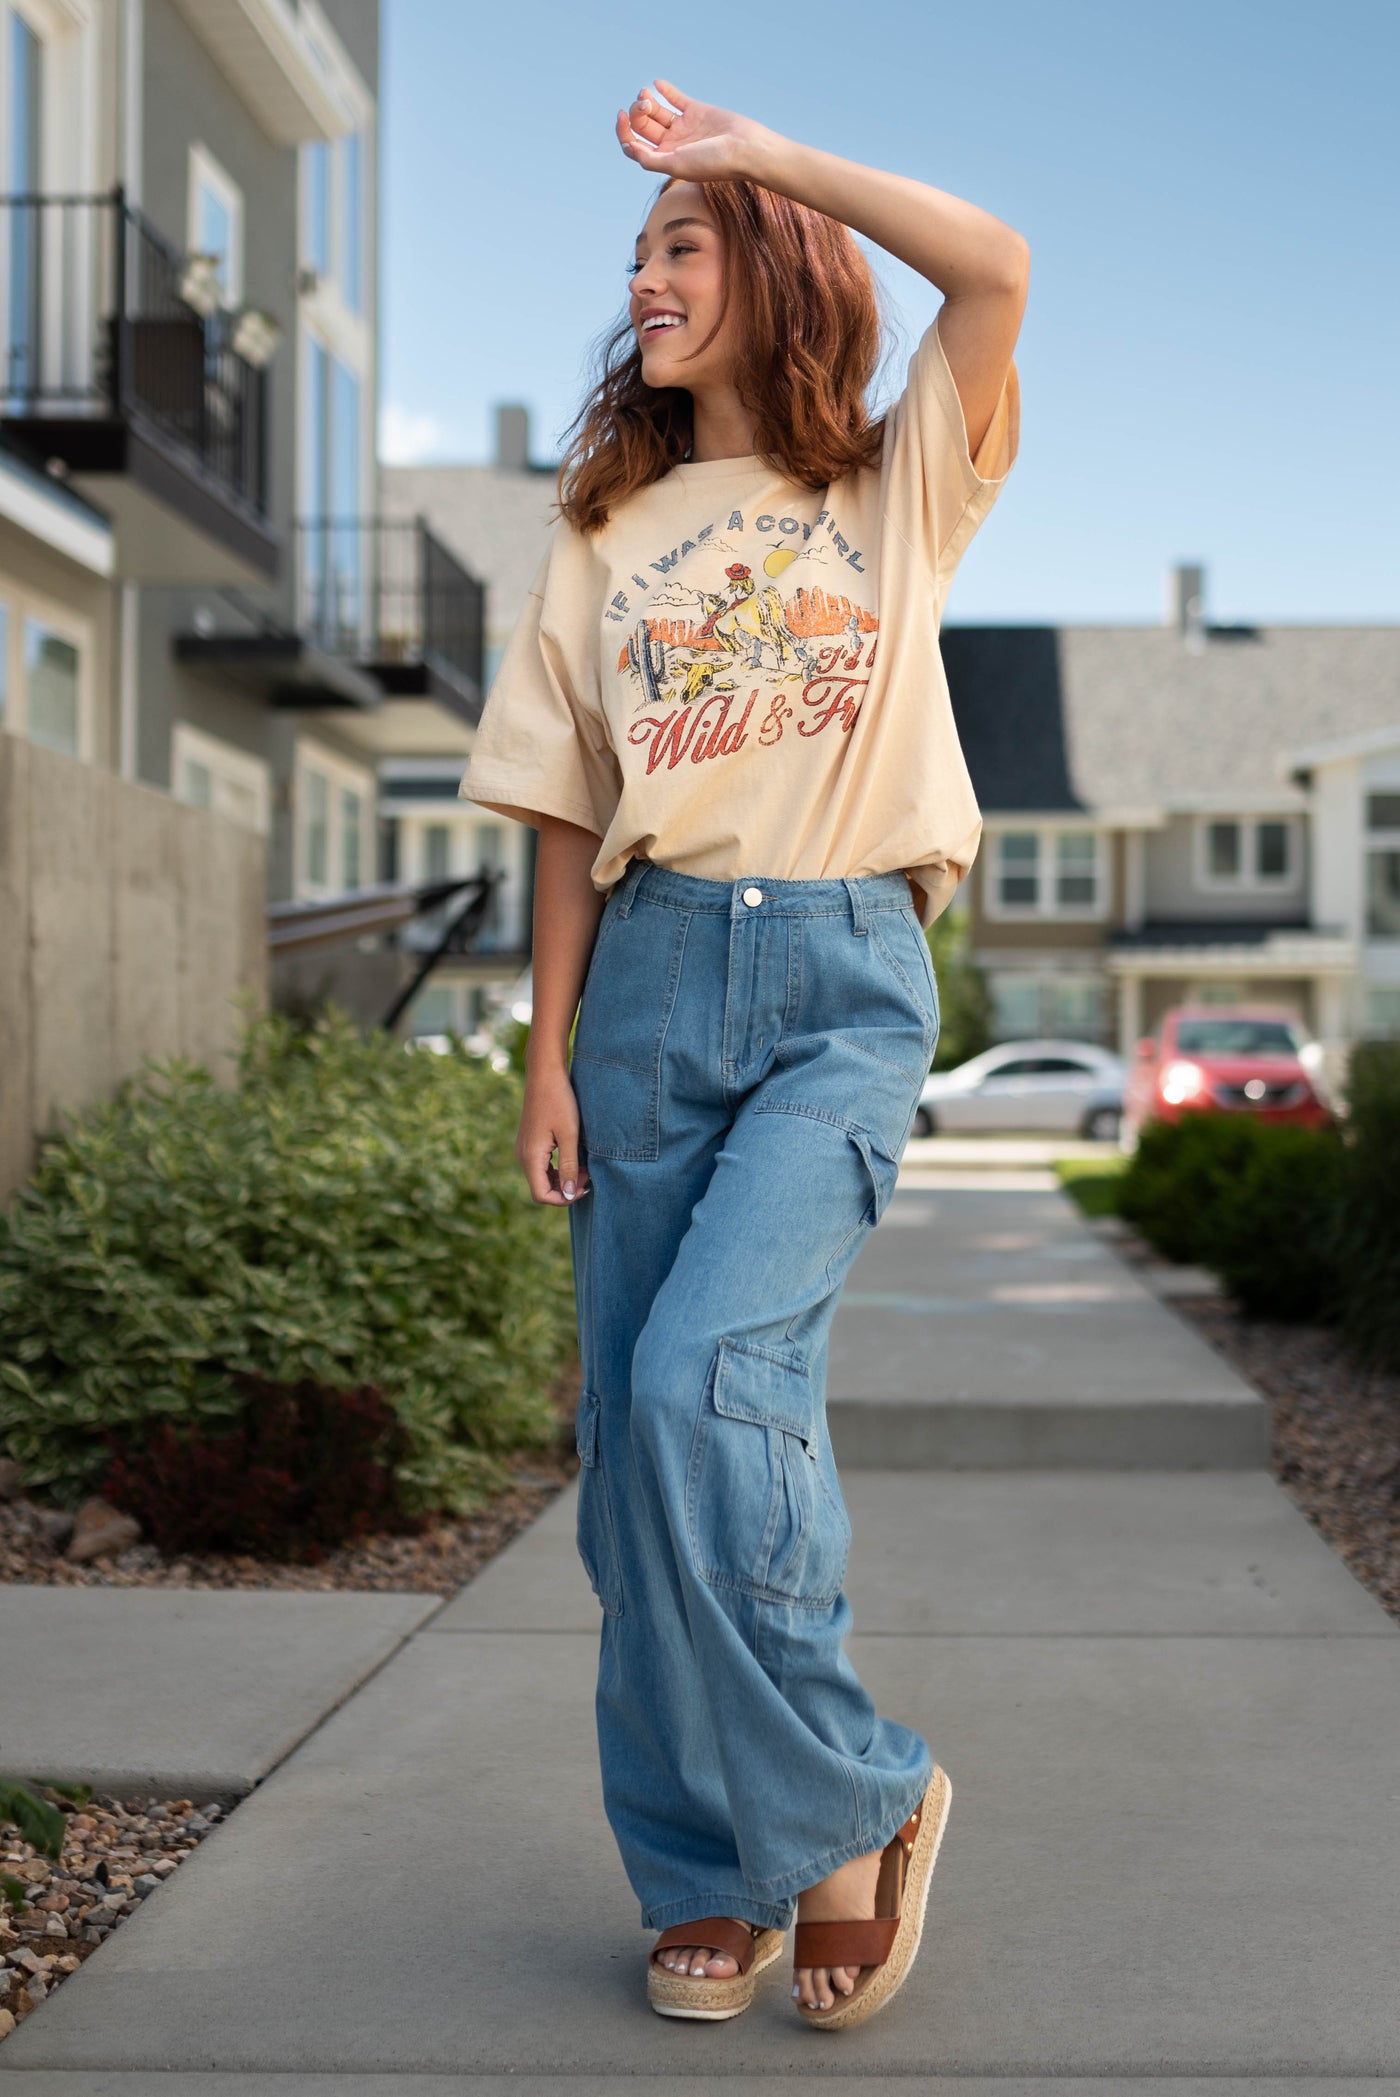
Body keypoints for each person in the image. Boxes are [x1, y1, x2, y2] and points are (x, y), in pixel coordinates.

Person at [458, 78, 1026, 2030]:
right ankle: (703, 1867)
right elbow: (555, 805)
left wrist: (757, 151)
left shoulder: (889, 486)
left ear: (772, 263)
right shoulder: (602, 521)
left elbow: (996, 264)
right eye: (637, 258)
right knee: (632, 1464)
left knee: (712, 1380)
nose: (645, 278)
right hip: (646, 986)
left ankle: (858, 1798)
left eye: (679, 246)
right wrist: (548, 1056)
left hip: (843, 983)